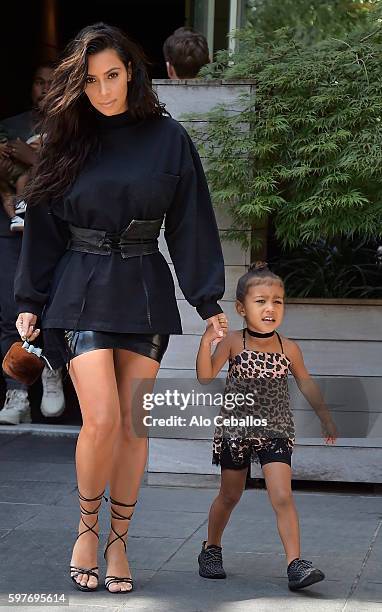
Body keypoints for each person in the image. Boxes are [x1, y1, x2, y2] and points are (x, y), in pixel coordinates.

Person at [14, 22, 226, 594]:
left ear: (131, 71)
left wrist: (208, 301)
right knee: (103, 418)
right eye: (91, 81)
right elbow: (43, 223)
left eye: (113, 75)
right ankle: (87, 527)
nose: (104, 90)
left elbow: (189, 223)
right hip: (79, 284)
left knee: (134, 426)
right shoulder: (67, 138)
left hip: (143, 285)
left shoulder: (169, 139)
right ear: (78, 86)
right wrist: (31, 299)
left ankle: (119, 542)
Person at [196, 261, 338, 590]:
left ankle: (295, 564)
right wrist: (207, 341)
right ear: (241, 308)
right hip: (236, 431)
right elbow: (205, 377)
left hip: (276, 429)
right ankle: (211, 548)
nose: (270, 308)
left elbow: (307, 384)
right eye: (261, 301)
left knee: (282, 495)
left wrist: (325, 415)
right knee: (230, 495)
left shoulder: (289, 348)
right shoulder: (234, 342)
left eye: (278, 301)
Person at [0, 62, 65, 422]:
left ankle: (52, 373)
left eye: (51, 82)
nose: (44, 88)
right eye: (39, 82)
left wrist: (32, 158)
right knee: (10, 310)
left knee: (54, 306)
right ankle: (16, 391)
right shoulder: (11, 125)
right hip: (10, 228)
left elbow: (71, 174)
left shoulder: (74, 124)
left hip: (55, 228)